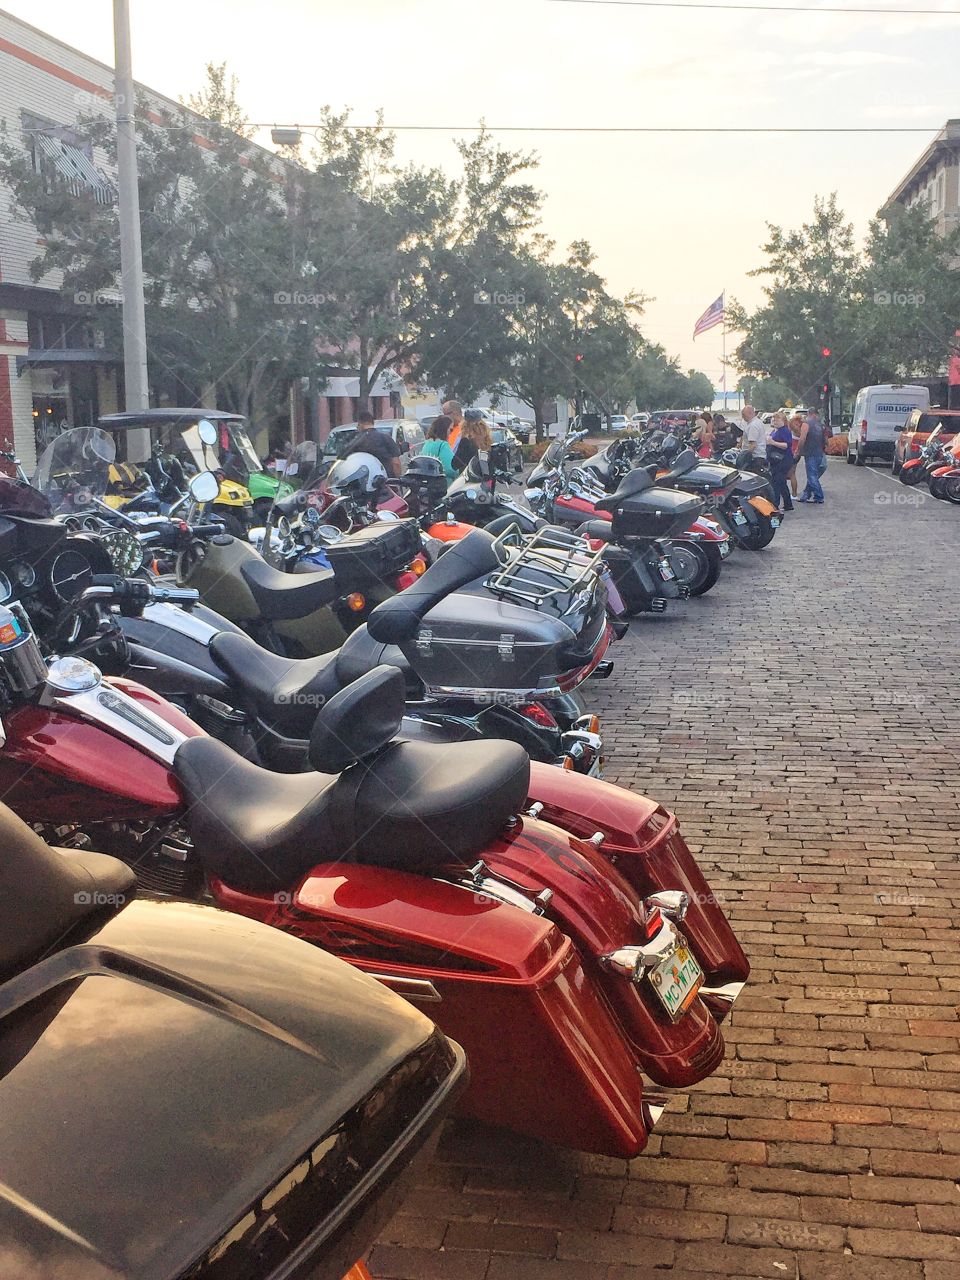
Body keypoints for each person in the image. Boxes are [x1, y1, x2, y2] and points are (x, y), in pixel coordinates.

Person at [338, 409, 401, 478]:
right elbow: (396, 463)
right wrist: (396, 480)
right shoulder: (386, 438)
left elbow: (341, 460)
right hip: (385, 480)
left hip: (361, 482)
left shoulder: (355, 441)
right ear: (372, 423)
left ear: (360, 423)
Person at [766, 411, 795, 512]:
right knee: (781, 483)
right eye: (774, 419)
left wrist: (773, 442)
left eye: (778, 419)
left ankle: (775, 506)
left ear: (783, 421)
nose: (775, 421)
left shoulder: (784, 431)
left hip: (782, 460)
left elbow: (787, 445)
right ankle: (788, 504)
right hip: (776, 460)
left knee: (776, 483)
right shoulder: (775, 430)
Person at [796, 409, 826, 504]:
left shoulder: (806, 424)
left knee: (812, 476)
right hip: (819, 452)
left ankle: (819, 496)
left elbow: (802, 439)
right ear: (815, 414)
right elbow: (825, 440)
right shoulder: (820, 425)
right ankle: (806, 494)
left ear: (809, 414)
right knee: (813, 475)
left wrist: (799, 450)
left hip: (810, 452)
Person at [452, 408, 492, 473]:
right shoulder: (487, 440)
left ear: (464, 423)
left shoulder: (465, 441)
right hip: (486, 477)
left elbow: (455, 463)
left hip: (470, 477)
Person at [420, 415, 457, 480]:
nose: (451, 433)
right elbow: (450, 469)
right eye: (450, 430)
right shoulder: (442, 445)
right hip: (444, 485)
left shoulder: (427, 443)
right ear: (444, 429)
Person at [788, 413, 804, 497]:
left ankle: (794, 494)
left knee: (791, 474)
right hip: (796, 453)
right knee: (792, 473)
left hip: (793, 453)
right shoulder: (802, 430)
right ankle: (793, 493)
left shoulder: (795, 430)